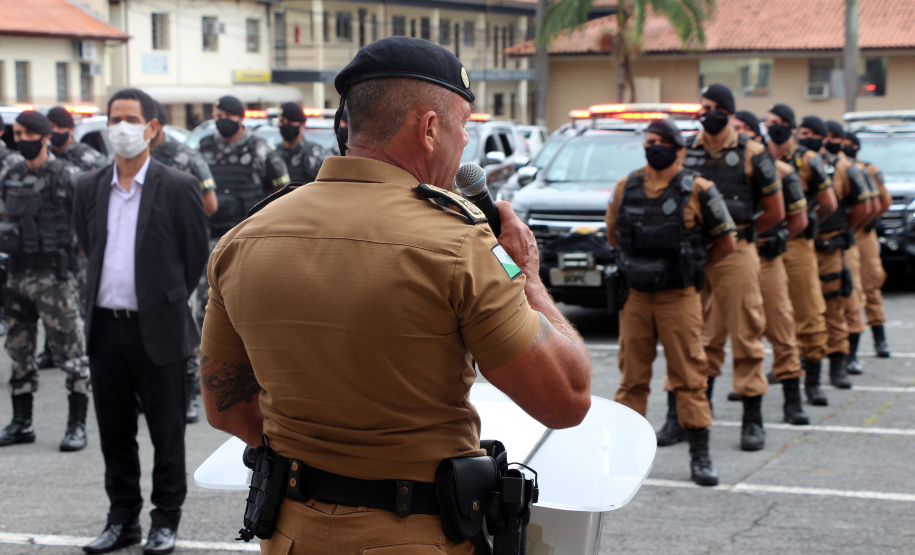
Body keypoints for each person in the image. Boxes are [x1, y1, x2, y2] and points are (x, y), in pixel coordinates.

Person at [200, 36, 591, 554]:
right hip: (415, 535)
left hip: (292, 534)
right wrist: (529, 278)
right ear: (429, 128)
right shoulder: (459, 244)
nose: (467, 146)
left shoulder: (246, 238)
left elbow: (227, 409)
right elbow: (565, 398)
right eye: (465, 128)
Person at [74, 88, 209, 555]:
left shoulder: (178, 185)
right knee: (114, 434)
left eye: (131, 119)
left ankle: (164, 521)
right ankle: (122, 520)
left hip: (159, 327)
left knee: (166, 433)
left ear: (153, 128)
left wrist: (163, 296)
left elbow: (195, 258)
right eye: (115, 119)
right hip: (105, 328)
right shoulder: (88, 185)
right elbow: (87, 244)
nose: (121, 128)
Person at [607, 119, 735, 486]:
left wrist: (692, 268)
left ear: (680, 149)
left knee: (690, 376)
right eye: (649, 141)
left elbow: (727, 242)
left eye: (662, 142)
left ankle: (700, 455)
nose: (654, 147)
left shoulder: (699, 189)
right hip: (637, 296)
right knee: (632, 378)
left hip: (679, 297)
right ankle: (624, 458)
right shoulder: (626, 186)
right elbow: (614, 235)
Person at [678, 84, 784, 452]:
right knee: (693, 336)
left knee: (746, 330)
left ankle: (752, 417)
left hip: (736, 250)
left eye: (711, 107)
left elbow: (775, 211)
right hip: (694, 251)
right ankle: (685, 416)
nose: (704, 113)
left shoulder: (753, 152)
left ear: (726, 111)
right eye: (701, 106)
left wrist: (739, 234)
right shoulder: (687, 149)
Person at [0, 111, 91, 452]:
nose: (19, 139)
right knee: (19, 351)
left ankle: (76, 426)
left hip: (54, 277)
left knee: (71, 353)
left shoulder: (67, 175)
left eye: (26, 133)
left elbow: (88, 224)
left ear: (42, 135)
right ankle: (22, 423)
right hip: (17, 276)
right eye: (16, 133)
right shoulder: (10, 173)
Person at [764, 105, 837, 408]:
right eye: (770, 123)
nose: (774, 128)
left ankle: (813, 382)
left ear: (791, 127)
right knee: (771, 315)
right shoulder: (760, 156)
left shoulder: (808, 160)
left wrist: (807, 220)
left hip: (796, 243)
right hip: (767, 243)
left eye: (780, 124)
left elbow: (828, 202)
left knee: (808, 311)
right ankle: (778, 371)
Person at [149, 99, 217, 424]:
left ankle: (189, 392)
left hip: (180, 253)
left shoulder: (186, 157)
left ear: (155, 124)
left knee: (187, 322)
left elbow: (210, 203)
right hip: (148, 256)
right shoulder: (128, 160)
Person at [797, 116, 870, 395]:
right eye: (802, 132)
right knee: (799, 310)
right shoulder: (797, 163)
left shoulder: (841, 168)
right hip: (801, 248)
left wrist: (845, 230)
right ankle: (798, 362)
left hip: (830, 247)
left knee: (834, 307)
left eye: (812, 133)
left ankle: (837, 364)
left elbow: (864, 206)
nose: (806, 138)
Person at [198, 95, 289, 239]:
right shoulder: (204, 147)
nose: (222, 120)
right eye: (218, 115)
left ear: (240, 118)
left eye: (228, 115)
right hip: (211, 233)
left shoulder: (260, 148)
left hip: (249, 231)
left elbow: (281, 191)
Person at [843, 131, 891, 358]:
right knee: (849, 289)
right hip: (846, 234)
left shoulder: (868, 170)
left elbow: (884, 201)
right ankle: (848, 347)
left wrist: (868, 220)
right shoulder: (837, 167)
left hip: (863, 234)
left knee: (871, 283)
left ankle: (879, 338)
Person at [276, 101, 328, 183]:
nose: (285, 125)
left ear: (302, 124)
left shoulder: (314, 154)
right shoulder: (274, 153)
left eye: (290, 121)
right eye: (282, 121)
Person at [46, 106, 108, 172]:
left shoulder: (87, 156)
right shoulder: (44, 155)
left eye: (60, 126)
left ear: (71, 130)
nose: (55, 130)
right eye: (51, 126)